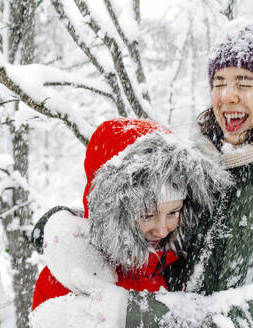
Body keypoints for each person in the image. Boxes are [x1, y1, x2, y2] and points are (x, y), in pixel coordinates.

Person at [71, 5, 253, 328]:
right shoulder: (197, 169)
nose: (226, 96)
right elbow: (146, 235)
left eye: (244, 82)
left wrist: (142, 314)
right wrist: (71, 229)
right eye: (219, 82)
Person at [28, 118, 231, 327]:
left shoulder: (176, 266)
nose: (162, 230)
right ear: (112, 213)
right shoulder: (67, 274)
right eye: (147, 216)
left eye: (173, 212)